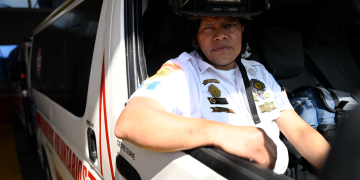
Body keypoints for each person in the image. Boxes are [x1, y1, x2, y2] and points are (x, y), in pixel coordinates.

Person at [114, 0, 330, 178]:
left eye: (229, 25)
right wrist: (223, 134)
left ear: (242, 31)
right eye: (209, 27)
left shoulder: (257, 71)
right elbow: (130, 121)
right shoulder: (182, 71)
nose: (220, 35)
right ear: (195, 37)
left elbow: (298, 130)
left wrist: (337, 166)